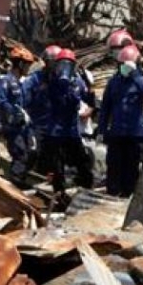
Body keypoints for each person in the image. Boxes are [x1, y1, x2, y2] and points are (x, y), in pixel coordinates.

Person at [98, 44, 143, 197]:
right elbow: (105, 107)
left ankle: (127, 193)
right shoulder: (114, 82)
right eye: (121, 65)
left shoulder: (141, 80)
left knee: (131, 167)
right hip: (116, 132)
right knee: (114, 166)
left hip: (134, 133)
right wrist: (101, 130)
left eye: (126, 65)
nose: (123, 68)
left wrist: (134, 74)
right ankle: (112, 192)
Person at [46, 48, 93, 191]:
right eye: (62, 64)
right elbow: (56, 99)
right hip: (56, 131)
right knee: (56, 165)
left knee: (81, 161)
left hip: (71, 130)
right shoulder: (53, 82)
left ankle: (86, 185)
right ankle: (58, 193)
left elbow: (89, 100)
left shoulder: (78, 83)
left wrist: (88, 87)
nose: (65, 68)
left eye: (68, 65)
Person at [0, 46, 35, 185]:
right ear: (20, 64)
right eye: (27, 65)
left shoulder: (21, 83)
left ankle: (19, 181)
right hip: (12, 127)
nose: (29, 68)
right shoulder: (6, 81)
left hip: (23, 126)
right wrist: (15, 112)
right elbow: (1, 102)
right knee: (20, 155)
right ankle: (14, 185)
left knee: (30, 153)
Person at [24, 45, 59, 173]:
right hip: (36, 125)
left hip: (52, 128)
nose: (55, 66)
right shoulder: (34, 79)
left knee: (49, 160)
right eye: (53, 62)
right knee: (32, 154)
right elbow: (25, 101)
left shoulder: (59, 81)